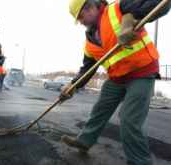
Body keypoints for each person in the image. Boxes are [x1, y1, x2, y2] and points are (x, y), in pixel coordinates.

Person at [60, 0, 171, 165]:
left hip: (141, 72)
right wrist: (73, 85)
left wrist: (129, 22)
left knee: (129, 119)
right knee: (100, 109)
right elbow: (87, 69)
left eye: (81, 17)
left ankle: (139, 161)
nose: (81, 22)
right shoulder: (90, 41)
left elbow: (161, 4)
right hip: (117, 78)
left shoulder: (119, 8)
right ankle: (84, 141)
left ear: (90, 7)